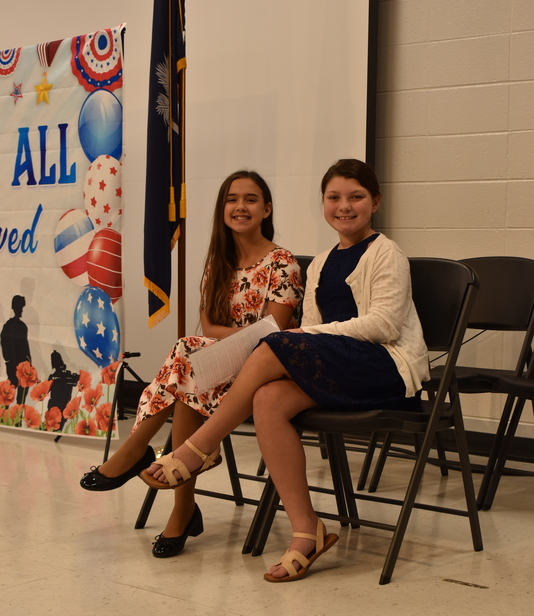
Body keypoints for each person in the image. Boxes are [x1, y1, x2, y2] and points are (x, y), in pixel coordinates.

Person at [140, 159, 430, 582]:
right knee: (268, 398)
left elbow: (383, 326)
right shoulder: (322, 262)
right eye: (334, 197)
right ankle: (307, 530)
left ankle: (199, 447)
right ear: (323, 203)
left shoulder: (387, 253)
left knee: (276, 340)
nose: (344, 206)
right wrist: (309, 337)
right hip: (339, 365)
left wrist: (310, 336)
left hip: (385, 367)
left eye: (356, 197)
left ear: (376, 202)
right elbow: (310, 329)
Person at [80, 170, 303, 558]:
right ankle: (181, 509)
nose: (240, 207)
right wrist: (232, 338)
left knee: (188, 355)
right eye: (232, 199)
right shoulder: (218, 263)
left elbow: (273, 334)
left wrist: (226, 340)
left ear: (266, 209)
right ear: (222, 210)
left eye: (251, 199)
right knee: (189, 375)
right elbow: (211, 327)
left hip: (266, 369)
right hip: (220, 367)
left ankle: (138, 453)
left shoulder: (282, 263)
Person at [1, 295, 32, 404]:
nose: (21, 311)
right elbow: (5, 343)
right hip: (16, 364)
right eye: (20, 308)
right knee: (12, 390)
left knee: (20, 391)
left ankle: (16, 410)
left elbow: (24, 346)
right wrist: (10, 360)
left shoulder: (17, 325)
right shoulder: (14, 326)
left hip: (18, 363)